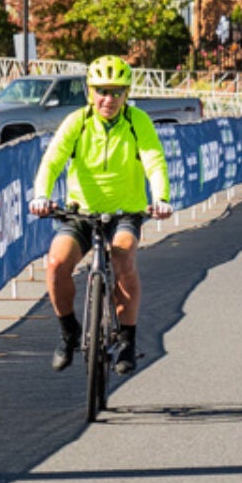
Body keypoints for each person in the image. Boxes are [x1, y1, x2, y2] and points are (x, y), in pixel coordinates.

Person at [28, 55, 172, 376]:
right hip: (81, 212)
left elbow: (154, 161)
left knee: (122, 259)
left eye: (116, 92)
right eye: (101, 91)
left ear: (126, 93)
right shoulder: (77, 122)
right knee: (56, 264)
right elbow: (52, 162)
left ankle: (127, 340)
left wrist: (161, 198)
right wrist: (41, 196)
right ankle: (68, 332)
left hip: (125, 212)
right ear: (90, 92)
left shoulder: (137, 122)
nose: (108, 99)